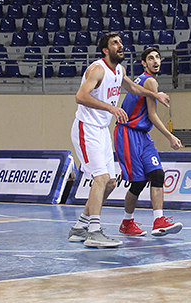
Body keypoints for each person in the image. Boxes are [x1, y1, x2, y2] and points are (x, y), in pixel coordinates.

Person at [67, 32, 170, 248]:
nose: (120, 45)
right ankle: (94, 232)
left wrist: (155, 95)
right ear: (106, 50)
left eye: (121, 42)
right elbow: (80, 96)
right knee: (101, 178)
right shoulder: (97, 69)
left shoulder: (119, 70)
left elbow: (133, 87)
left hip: (102, 131)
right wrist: (111, 108)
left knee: (111, 183)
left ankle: (80, 226)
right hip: (87, 128)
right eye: (115, 43)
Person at [115, 47, 183, 237]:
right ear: (144, 63)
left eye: (158, 57)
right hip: (128, 133)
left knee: (157, 174)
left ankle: (158, 221)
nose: (156, 61)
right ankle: (127, 222)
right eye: (151, 58)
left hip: (143, 135)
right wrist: (170, 136)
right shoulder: (150, 81)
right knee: (138, 182)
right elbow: (152, 115)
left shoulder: (143, 80)